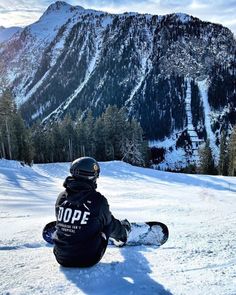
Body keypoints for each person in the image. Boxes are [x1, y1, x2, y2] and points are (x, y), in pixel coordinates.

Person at [53, 156, 131, 267]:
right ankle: (121, 238)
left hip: (60, 257)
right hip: (88, 258)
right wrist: (122, 232)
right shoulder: (98, 200)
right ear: (92, 177)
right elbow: (110, 224)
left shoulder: (61, 197)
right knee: (106, 222)